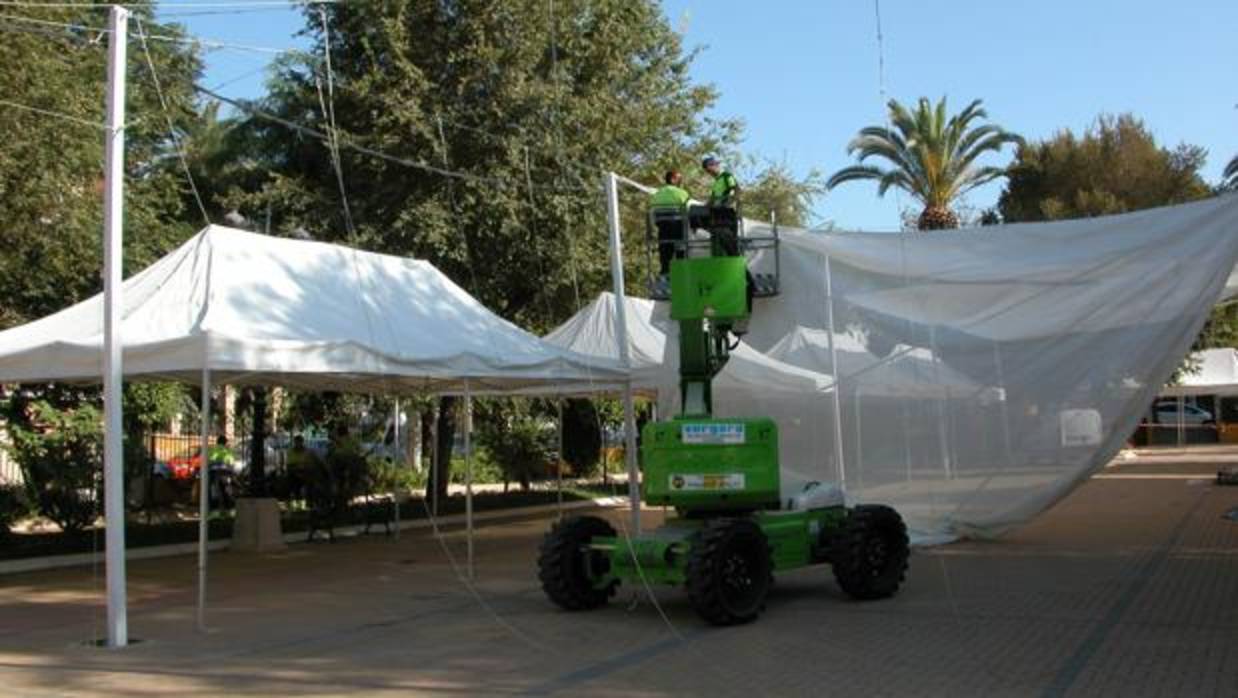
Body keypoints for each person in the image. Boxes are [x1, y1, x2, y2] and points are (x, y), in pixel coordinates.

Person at [648, 170, 692, 275]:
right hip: (677, 227)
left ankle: (665, 272)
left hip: (663, 228)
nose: (681, 182)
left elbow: (653, 211)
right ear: (673, 179)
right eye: (679, 179)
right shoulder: (681, 193)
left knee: (665, 253)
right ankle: (682, 272)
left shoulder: (657, 194)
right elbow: (687, 209)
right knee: (681, 250)